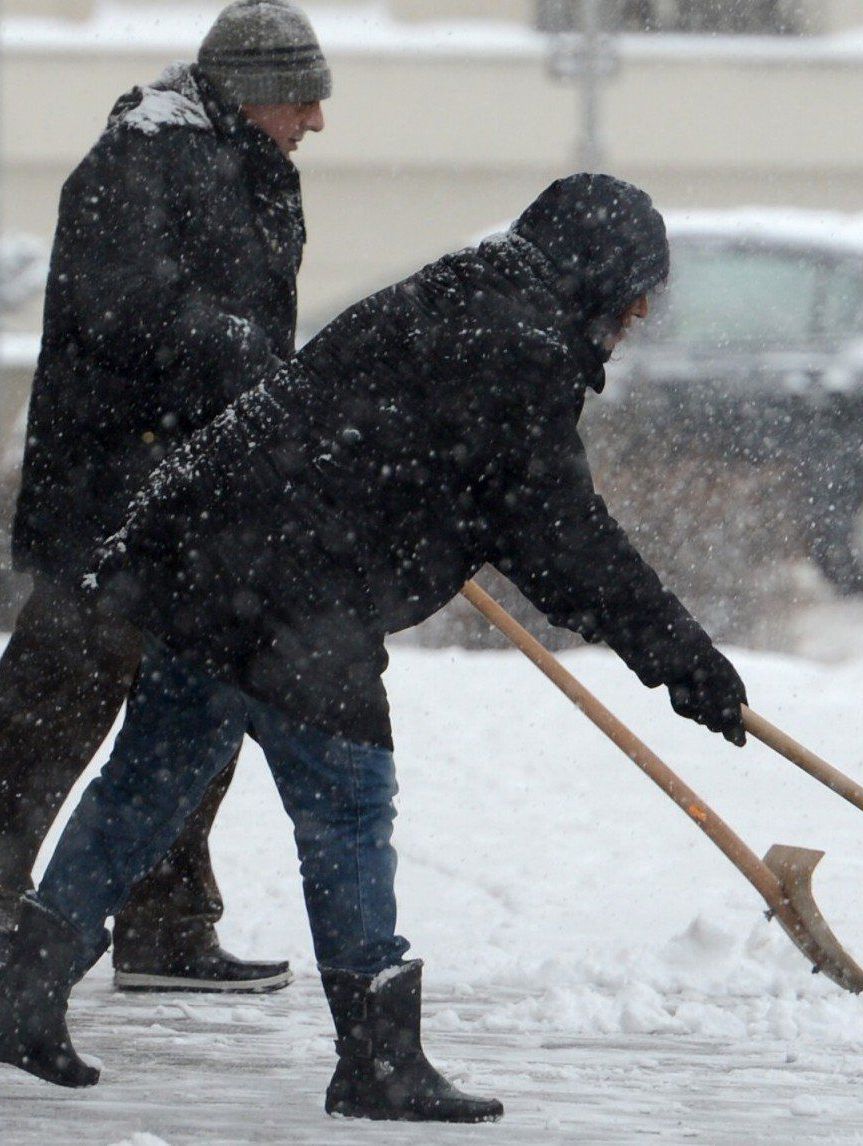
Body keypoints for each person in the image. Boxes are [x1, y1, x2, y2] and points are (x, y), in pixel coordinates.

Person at [0, 175, 749, 1123]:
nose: (641, 316)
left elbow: (463, 480)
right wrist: (683, 658)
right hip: (293, 594)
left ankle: (22, 990)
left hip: (209, 560)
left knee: (152, 777)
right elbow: (562, 533)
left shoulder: (460, 293)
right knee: (348, 804)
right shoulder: (519, 347)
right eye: (638, 293)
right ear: (600, 277)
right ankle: (376, 1057)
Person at [0, 0, 329, 993]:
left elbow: (241, 322)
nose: (317, 121)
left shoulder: (252, 170)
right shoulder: (137, 162)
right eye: (303, 99)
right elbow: (128, 307)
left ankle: (166, 928)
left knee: (192, 714)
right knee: (50, 715)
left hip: (199, 498)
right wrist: (245, 363)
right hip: (112, 497)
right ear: (252, 94)